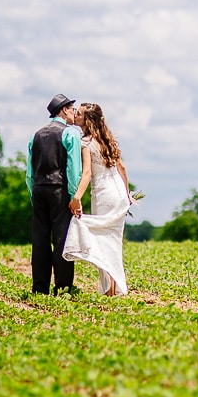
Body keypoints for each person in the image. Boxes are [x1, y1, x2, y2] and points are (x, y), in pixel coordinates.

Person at [62, 103, 138, 296]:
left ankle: (111, 289)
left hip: (104, 193)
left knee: (103, 241)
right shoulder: (106, 139)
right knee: (112, 241)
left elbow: (87, 173)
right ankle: (113, 288)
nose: (76, 116)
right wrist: (127, 195)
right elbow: (122, 168)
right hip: (118, 193)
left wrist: (77, 197)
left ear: (87, 120)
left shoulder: (85, 142)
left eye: (79, 114)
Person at [26, 94, 83, 295]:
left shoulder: (36, 135)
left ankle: (40, 288)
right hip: (60, 190)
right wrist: (74, 197)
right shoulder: (71, 133)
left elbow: (29, 173)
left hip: (39, 189)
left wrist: (34, 195)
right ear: (64, 110)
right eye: (72, 109)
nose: (74, 113)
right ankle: (63, 287)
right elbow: (73, 169)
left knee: (40, 240)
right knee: (62, 239)